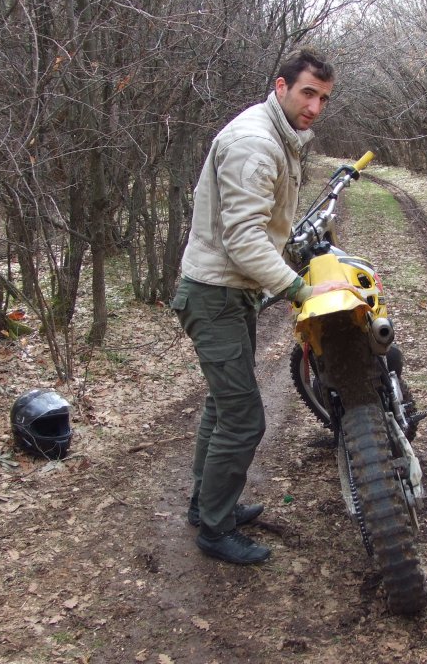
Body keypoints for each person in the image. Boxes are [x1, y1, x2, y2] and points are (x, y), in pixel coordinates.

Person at [170, 47, 350, 565]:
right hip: (215, 295)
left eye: (324, 98)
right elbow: (244, 238)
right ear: (281, 87)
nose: (315, 107)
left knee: (222, 405)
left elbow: (264, 227)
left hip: (230, 291)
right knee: (244, 419)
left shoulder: (278, 134)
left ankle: (207, 504)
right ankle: (215, 529)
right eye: (307, 93)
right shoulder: (255, 142)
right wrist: (299, 290)